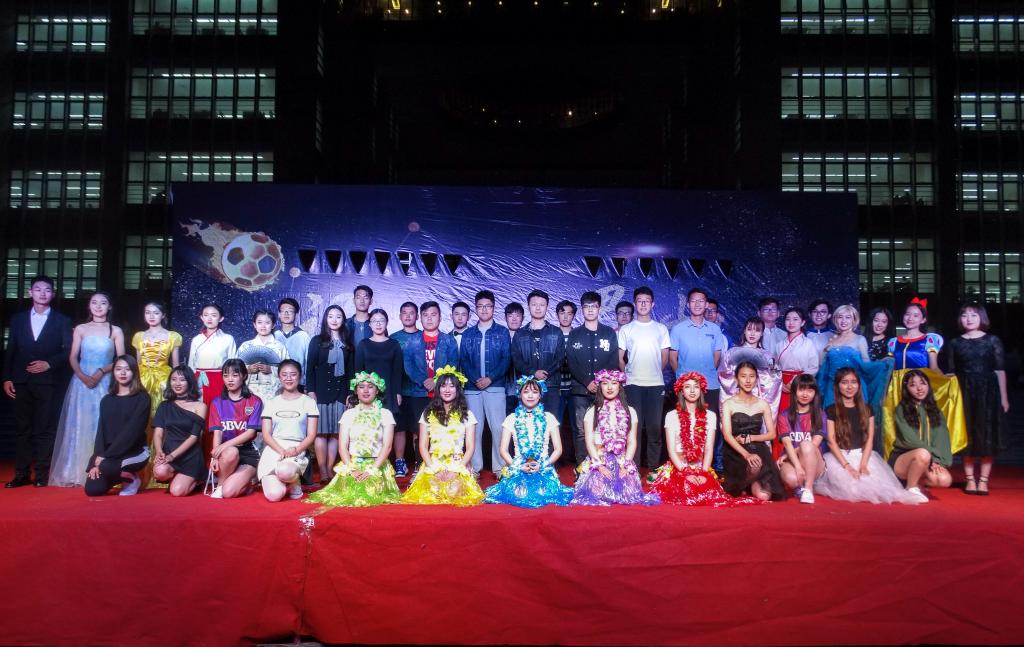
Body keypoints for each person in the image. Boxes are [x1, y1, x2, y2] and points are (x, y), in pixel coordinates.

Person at [2, 276, 73, 488]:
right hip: (20, 380)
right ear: (30, 292)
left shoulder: (62, 320)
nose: (42, 293)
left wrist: (49, 364)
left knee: (45, 429)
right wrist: (6, 377)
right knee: (22, 429)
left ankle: (42, 474)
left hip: (48, 381)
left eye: (47, 290)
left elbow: (68, 351)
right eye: (38, 289)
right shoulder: (18, 319)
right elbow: (11, 349)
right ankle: (21, 474)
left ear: (53, 294)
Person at [649, 371, 758, 506]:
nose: (692, 391)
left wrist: (704, 473)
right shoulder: (671, 415)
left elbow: (708, 449)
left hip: (701, 468)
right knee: (686, 492)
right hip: (678, 467)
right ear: (681, 391)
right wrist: (686, 473)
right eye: (687, 387)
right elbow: (671, 451)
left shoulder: (710, 416)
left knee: (707, 494)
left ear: (701, 390)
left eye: (696, 387)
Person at [814, 368, 921, 505]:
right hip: (839, 458)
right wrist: (847, 466)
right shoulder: (831, 410)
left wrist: (863, 465)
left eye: (853, 382)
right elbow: (831, 441)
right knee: (851, 490)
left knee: (878, 489)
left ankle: (912, 490)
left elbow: (870, 439)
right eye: (844, 382)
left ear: (859, 385)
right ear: (837, 386)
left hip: (863, 456)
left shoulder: (867, 409)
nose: (849, 386)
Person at [50, 291, 125, 487]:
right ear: (89, 306)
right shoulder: (81, 329)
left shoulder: (115, 330)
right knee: (79, 423)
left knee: (102, 424)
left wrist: (101, 372)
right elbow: (73, 357)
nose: (98, 306)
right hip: (81, 383)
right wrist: (82, 376)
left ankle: (103, 468)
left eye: (103, 303)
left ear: (109, 307)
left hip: (105, 382)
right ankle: (76, 470)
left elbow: (121, 360)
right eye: (94, 302)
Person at [881, 298, 967, 460]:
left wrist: (944, 379)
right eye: (907, 314)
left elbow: (933, 367)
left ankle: (923, 460)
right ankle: (898, 463)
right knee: (895, 425)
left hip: (918, 385)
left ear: (923, 319)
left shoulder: (929, 340)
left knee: (918, 424)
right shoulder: (893, 342)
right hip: (897, 387)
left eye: (916, 315)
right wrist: (884, 392)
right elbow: (889, 370)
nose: (910, 318)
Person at [309, 371, 401, 507]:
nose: (366, 390)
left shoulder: (385, 414)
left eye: (370, 387)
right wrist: (352, 469)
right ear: (356, 391)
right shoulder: (348, 414)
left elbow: (387, 447)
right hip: (352, 464)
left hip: (377, 465)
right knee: (349, 494)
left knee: (369, 493)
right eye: (361, 387)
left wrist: (372, 470)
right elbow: (342, 447)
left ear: (377, 391)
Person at [571, 369, 659, 505]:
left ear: (620, 386)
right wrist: (599, 466)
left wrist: (626, 464)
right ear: (600, 387)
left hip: (621, 459)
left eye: (614, 383)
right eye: (605, 383)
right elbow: (589, 442)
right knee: (598, 493)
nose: (610, 387)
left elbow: (632, 441)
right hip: (598, 458)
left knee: (629, 494)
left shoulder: (630, 411)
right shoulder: (592, 411)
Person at [484, 375, 573, 507]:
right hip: (519, 466)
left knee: (543, 493)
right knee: (519, 493)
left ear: (540, 395)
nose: (530, 395)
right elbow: (503, 450)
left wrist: (543, 465)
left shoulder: (549, 417)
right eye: (526, 392)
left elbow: (558, 449)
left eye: (535, 392)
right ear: (519, 395)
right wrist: (517, 466)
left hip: (542, 466)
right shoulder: (512, 418)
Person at [948, 303, 1009, 496]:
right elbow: (951, 373)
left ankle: (983, 480)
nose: (969, 319)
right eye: (965, 315)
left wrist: (1004, 398)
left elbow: (999, 370)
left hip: (988, 392)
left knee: (987, 435)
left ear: (982, 318)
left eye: (973, 315)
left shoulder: (993, 340)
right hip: (963, 392)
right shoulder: (954, 343)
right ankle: (970, 480)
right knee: (967, 435)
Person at [401, 367, 485, 506]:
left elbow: (470, 447)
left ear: (458, 390)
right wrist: (434, 469)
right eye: (443, 386)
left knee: (454, 492)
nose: (447, 390)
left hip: (457, 462)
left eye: (452, 386)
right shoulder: (427, 413)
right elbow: (422, 446)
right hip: (433, 462)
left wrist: (457, 470)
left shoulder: (467, 415)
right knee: (433, 491)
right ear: (438, 389)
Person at [817, 305, 893, 454]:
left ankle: (857, 458)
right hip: (832, 389)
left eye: (848, 317)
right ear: (835, 319)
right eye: (840, 317)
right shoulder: (832, 340)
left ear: (854, 320)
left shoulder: (860, 339)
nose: (843, 321)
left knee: (856, 424)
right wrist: (826, 350)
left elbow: (865, 365)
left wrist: (882, 364)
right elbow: (823, 366)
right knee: (833, 425)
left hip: (853, 388)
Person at [669, 287, 727, 471]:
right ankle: (685, 464)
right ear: (688, 304)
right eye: (693, 301)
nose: (697, 304)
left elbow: (717, 357)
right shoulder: (678, 329)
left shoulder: (715, 329)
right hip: (686, 386)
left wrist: (706, 374)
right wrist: (683, 378)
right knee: (685, 425)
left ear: (706, 304)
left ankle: (711, 466)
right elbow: (672, 358)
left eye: (701, 301)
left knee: (710, 424)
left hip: (710, 384)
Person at [459, 290, 511, 478]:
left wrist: (490, 378)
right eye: (480, 306)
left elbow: (506, 359)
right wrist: (475, 379)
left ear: (493, 308)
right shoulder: (468, 334)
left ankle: (500, 467)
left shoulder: (502, 332)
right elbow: (464, 360)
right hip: (472, 389)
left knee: (498, 428)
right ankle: (474, 467)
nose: (484, 309)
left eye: (488, 306)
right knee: (474, 429)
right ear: (475, 308)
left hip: (495, 387)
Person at [617, 286, 670, 468]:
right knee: (635, 428)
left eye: (647, 301)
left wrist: (654, 372)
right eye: (640, 301)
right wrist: (628, 375)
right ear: (635, 303)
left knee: (654, 428)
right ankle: (634, 469)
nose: (643, 304)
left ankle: (654, 468)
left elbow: (664, 357)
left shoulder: (661, 329)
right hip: (633, 384)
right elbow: (620, 357)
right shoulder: (627, 329)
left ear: (652, 304)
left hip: (656, 384)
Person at [403, 301, 460, 469]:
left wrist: (436, 381)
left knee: (442, 428)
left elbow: (453, 363)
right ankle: (419, 465)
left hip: (443, 394)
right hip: (419, 392)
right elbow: (408, 365)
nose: (429, 319)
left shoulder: (448, 341)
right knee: (419, 431)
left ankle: (443, 465)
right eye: (425, 315)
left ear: (440, 318)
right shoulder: (412, 341)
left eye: (433, 315)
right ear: (420, 318)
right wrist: (423, 380)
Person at [84, 355, 152, 497]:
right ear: (113, 372)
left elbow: (132, 433)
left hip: (135, 452)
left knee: (106, 465)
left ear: (134, 372)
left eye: (127, 369)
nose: (122, 373)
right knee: (93, 489)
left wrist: (105, 458)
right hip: (110, 456)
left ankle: (131, 479)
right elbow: (101, 432)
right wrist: (95, 461)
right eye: (118, 369)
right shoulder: (106, 400)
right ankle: (116, 474)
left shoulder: (143, 398)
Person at [566, 291, 620, 467]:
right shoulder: (575, 334)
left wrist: (600, 382)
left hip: (603, 391)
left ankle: (603, 466)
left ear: (599, 308)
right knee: (581, 431)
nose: (590, 310)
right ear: (582, 309)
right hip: (579, 390)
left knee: (604, 429)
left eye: (594, 306)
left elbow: (613, 360)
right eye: (586, 307)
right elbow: (571, 361)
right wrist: (586, 381)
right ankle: (582, 468)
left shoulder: (609, 333)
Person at [720, 361, 786, 501]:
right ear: (736, 379)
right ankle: (744, 484)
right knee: (754, 466)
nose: (748, 380)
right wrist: (746, 454)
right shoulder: (728, 404)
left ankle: (751, 484)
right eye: (743, 376)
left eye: (752, 376)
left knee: (764, 496)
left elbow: (772, 434)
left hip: (758, 449)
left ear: (756, 379)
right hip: (736, 451)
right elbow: (727, 435)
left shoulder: (763, 404)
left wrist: (751, 438)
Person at [258, 360, 318, 502]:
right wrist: (281, 451)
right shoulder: (271, 402)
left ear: (300, 376)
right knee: (274, 495)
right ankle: (284, 482)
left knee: (285, 471)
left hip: (296, 448)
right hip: (274, 448)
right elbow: (266, 434)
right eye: (284, 375)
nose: (288, 378)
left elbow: (311, 435)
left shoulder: (309, 402)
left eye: (293, 374)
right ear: (279, 377)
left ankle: (294, 481)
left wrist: (296, 450)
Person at [305, 305, 352, 484]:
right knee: (321, 433)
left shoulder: (348, 343)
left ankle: (330, 468)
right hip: (320, 392)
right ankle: (322, 469)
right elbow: (309, 369)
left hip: (340, 393)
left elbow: (351, 372)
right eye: (331, 316)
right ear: (325, 319)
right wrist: (311, 391)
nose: (334, 320)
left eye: (338, 316)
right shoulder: (316, 341)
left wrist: (349, 394)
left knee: (335, 433)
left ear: (343, 320)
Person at [889, 369, 954, 500]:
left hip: (927, 458)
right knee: (923, 453)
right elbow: (909, 440)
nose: (919, 388)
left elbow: (942, 439)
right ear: (907, 389)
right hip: (903, 460)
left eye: (922, 383)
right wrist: (932, 455)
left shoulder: (935, 411)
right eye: (913, 385)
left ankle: (916, 484)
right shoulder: (902, 409)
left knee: (944, 480)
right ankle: (910, 488)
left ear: (928, 385)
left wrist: (938, 461)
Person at [207, 359, 262, 499]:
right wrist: (215, 457)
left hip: (247, 453)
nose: (230, 380)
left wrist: (223, 446)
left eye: (235, 375)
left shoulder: (254, 401)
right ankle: (220, 486)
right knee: (231, 452)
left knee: (229, 493)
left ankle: (247, 481)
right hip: (227, 454)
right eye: (226, 375)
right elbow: (217, 432)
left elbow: (251, 432)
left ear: (244, 376)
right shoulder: (217, 402)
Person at [718, 317, 783, 428]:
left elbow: (776, 379)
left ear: (762, 333)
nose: (752, 333)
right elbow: (723, 376)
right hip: (736, 398)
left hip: (759, 399)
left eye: (757, 330)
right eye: (749, 329)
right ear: (744, 331)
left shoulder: (768, 356)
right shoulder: (731, 353)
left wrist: (762, 383)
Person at [152, 366, 207, 496]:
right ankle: (179, 478)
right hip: (169, 453)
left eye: (182, 380)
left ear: (190, 382)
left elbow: (194, 437)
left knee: (176, 492)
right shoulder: (164, 406)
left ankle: (197, 480)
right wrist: (159, 451)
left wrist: (172, 456)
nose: (177, 383)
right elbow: (158, 433)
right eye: (174, 379)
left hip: (190, 456)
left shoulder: (200, 406)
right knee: (159, 472)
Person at [773, 306, 819, 459]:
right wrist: (780, 383)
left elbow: (813, 367)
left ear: (803, 322)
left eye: (795, 319)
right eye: (788, 319)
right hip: (782, 386)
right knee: (781, 419)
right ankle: (779, 457)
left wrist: (796, 382)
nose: (791, 323)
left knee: (799, 419)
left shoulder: (808, 343)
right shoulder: (779, 344)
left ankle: (801, 456)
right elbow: (774, 367)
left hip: (800, 384)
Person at [775, 374, 826, 504]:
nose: (805, 394)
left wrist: (787, 455)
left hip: (814, 460)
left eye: (810, 390)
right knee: (792, 480)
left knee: (807, 445)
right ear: (794, 391)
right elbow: (787, 444)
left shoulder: (820, 414)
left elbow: (814, 444)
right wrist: (797, 466)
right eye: (801, 389)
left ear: (815, 393)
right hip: (793, 461)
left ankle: (808, 489)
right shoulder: (784, 415)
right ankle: (801, 484)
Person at [512, 289, 564, 415]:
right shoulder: (520, 333)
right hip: (527, 388)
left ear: (547, 307)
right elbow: (516, 360)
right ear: (528, 306)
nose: (538, 308)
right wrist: (533, 373)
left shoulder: (556, 332)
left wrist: (545, 373)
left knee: (552, 423)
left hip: (551, 386)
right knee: (527, 424)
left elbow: (560, 358)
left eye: (542, 305)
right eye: (534, 304)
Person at [391, 301, 421, 476]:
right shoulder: (394, 338)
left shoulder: (424, 336)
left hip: (419, 391)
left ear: (417, 316)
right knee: (399, 428)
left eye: (412, 313)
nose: (408, 316)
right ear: (400, 316)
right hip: (399, 391)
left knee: (419, 428)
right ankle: (400, 462)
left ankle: (419, 461)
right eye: (404, 312)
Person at [354, 308, 403, 416]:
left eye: (381, 320)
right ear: (370, 324)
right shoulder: (363, 344)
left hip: (389, 392)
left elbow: (397, 372)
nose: (378, 324)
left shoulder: (394, 344)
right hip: (368, 392)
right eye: (374, 321)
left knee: (388, 422)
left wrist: (398, 393)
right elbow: (358, 372)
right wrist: (358, 393)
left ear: (387, 323)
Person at [186, 302, 237, 406]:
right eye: (206, 315)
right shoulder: (196, 339)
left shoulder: (228, 339)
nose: (209, 318)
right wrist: (191, 383)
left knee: (218, 408)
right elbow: (191, 364)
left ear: (221, 318)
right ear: (201, 318)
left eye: (214, 315)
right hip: (199, 379)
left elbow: (233, 363)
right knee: (200, 408)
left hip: (220, 379)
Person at [236, 309, 289, 403]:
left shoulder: (280, 347)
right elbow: (235, 368)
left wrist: (271, 369)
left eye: (267, 323)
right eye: (259, 322)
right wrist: (248, 369)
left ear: (273, 325)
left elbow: (288, 370)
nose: (263, 326)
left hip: (274, 392)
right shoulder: (246, 346)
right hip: (250, 391)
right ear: (254, 324)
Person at [554, 299, 578, 460]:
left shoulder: (578, 335)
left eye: (569, 313)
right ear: (557, 315)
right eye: (562, 313)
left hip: (575, 387)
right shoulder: (552, 335)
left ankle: (580, 461)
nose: (565, 316)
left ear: (574, 316)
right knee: (556, 426)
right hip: (556, 388)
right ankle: (554, 462)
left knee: (578, 427)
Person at [274, 298, 311, 386]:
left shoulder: (303, 336)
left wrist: (308, 386)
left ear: (296, 315)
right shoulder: (273, 335)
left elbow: (309, 364)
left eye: (290, 311)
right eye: (283, 311)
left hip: (298, 384)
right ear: (279, 314)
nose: (286, 313)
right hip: (275, 384)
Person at [503, 302, 525, 412]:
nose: (514, 319)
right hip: (504, 388)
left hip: (524, 387)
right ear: (505, 318)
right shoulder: (500, 337)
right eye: (510, 315)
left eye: (517, 315)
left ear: (523, 318)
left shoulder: (528, 337)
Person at [345, 285, 373, 350]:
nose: (362, 301)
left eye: (366, 298)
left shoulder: (377, 324)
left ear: (371, 301)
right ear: (353, 300)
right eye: (358, 297)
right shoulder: (345, 324)